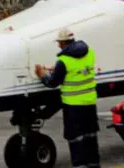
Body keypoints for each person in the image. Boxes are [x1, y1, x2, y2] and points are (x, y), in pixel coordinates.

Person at [35, 28, 100, 168]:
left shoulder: (63, 61)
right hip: (89, 102)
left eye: (59, 42)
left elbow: (52, 83)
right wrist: (56, 68)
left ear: (63, 43)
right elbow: (78, 69)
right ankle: (94, 165)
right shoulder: (90, 53)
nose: (58, 45)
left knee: (75, 139)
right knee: (90, 137)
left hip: (73, 105)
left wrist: (42, 75)